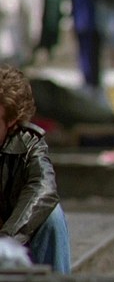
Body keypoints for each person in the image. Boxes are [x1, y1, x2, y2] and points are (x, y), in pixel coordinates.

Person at [0, 65, 71, 273]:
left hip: (11, 239)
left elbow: (43, 188)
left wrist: (7, 241)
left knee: (52, 217)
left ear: (10, 121)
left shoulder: (28, 143)